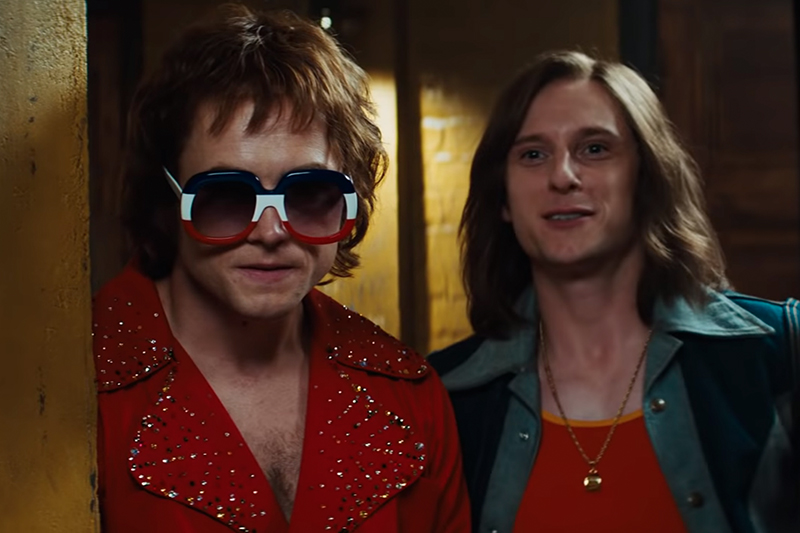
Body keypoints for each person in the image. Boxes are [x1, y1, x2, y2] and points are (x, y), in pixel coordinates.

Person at [93, 6, 469, 532]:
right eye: (226, 196)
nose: (270, 232)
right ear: (166, 203)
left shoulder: (407, 394)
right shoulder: (74, 383)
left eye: (309, 194)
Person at [429, 50, 798, 533]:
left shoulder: (776, 353)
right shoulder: (445, 398)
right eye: (533, 154)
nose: (562, 177)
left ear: (646, 178)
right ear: (503, 197)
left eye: (595, 149)